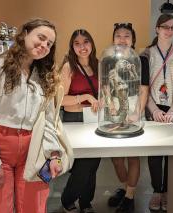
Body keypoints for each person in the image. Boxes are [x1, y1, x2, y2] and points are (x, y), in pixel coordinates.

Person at [0, 18, 62, 213]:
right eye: (41, 37)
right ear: (25, 33)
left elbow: (48, 120)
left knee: (34, 205)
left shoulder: (43, 76)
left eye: (49, 43)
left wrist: (53, 154)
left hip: (33, 150)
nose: (44, 45)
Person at [141, 14, 173, 211]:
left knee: (172, 154)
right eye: (165, 27)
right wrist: (153, 109)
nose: (169, 30)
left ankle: (168, 191)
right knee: (154, 155)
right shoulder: (145, 55)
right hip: (153, 111)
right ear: (157, 29)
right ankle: (156, 191)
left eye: (172, 27)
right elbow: (143, 87)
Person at [106, 23, 149, 213]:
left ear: (133, 40)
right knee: (116, 158)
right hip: (115, 106)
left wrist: (137, 112)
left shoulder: (141, 60)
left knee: (133, 155)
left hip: (133, 107)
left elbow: (143, 89)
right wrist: (110, 105)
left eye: (127, 36)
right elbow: (106, 86)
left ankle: (130, 196)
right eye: (118, 36)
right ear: (113, 39)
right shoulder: (108, 59)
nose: (122, 40)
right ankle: (125, 189)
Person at [60, 29, 100, 213]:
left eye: (86, 42)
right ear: (72, 46)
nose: (82, 47)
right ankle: (68, 198)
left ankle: (86, 202)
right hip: (74, 120)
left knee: (93, 164)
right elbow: (60, 100)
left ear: (92, 44)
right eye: (77, 43)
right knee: (83, 164)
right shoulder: (69, 67)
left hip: (94, 120)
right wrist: (84, 97)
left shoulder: (98, 65)